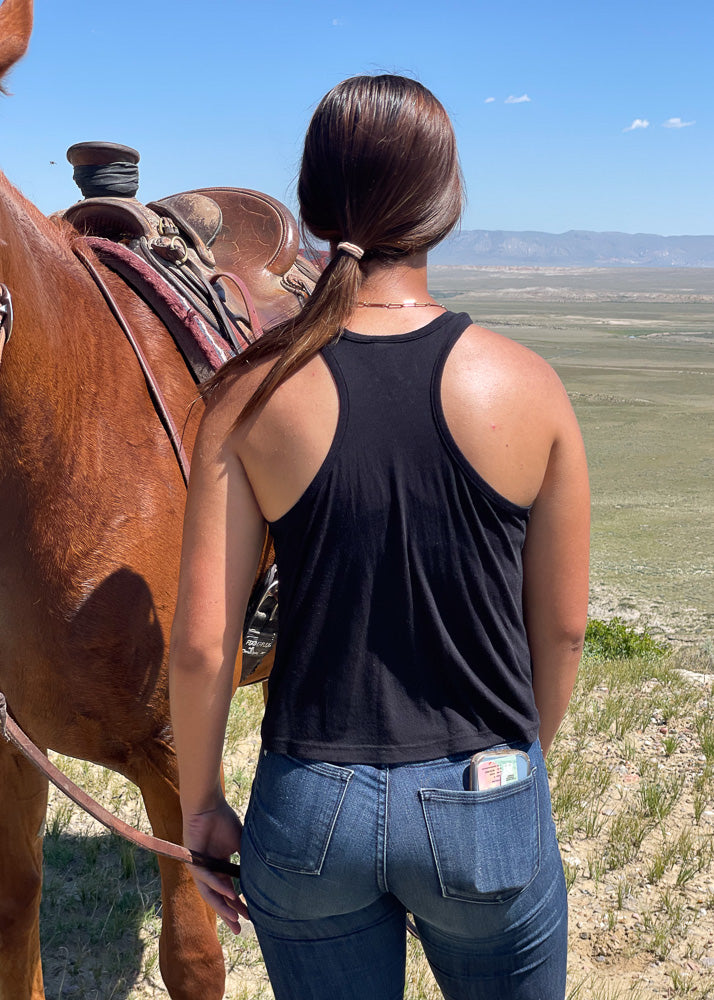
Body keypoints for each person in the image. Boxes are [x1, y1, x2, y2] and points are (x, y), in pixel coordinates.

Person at [169, 74, 590, 1000]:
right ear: (447, 204)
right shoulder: (529, 386)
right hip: (486, 787)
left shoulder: (248, 397)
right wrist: (519, 765)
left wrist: (201, 806)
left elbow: (203, 645)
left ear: (313, 210)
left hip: (308, 809)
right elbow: (559, 627)